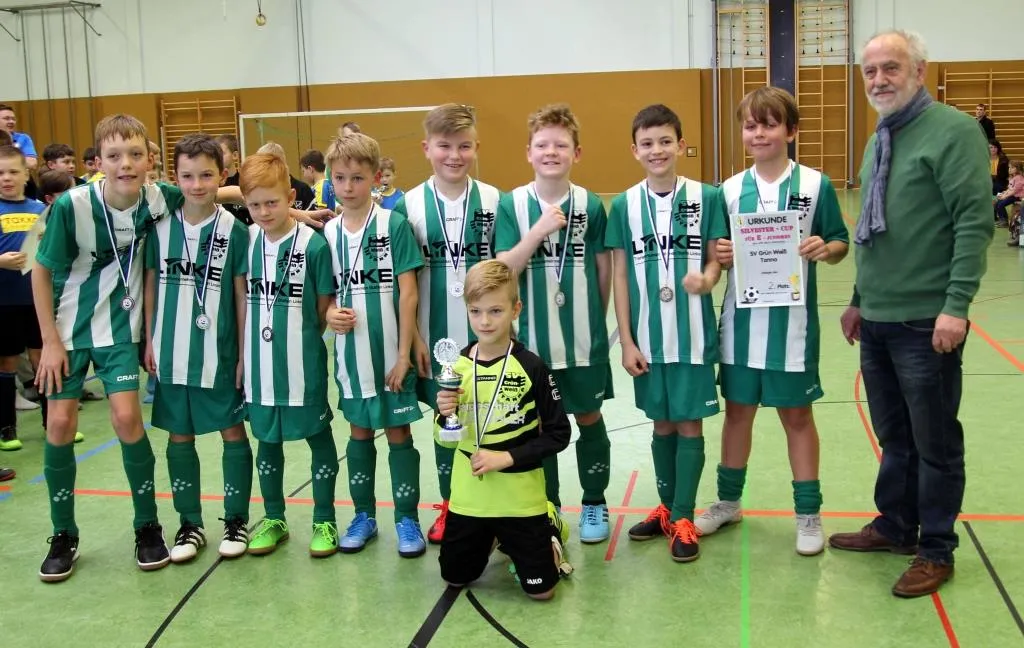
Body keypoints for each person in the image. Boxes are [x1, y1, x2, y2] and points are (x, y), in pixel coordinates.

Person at [830, 30, 993, 598]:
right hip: (877, 317)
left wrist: (956, 307)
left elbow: (973, 223)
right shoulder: (880, 136)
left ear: (920, 71)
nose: (879, 79)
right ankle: (896, 526)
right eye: (870, 70)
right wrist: (858, 299)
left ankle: (937, 547)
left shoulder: (954, 131)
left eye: (891, 67)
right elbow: (874, 230)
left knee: (935, 440)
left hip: (927, 320)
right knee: (895, 435)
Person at [694, 87, 849, 556]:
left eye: (769, 124)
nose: (758, 133)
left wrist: (825, 248)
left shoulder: (815, 185)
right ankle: (728, 502)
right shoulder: (727, 190)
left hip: (792, 331)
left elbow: (839, 242)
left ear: (791, 130)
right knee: (737, 414)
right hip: (741, 328)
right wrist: (720, 254)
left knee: (797, 417)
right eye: (750, 125)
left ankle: (808, 513)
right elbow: (716, 253)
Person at [33, 114, 179, 582]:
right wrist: (49, 342)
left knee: (127, 417)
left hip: (119, 330)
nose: (125, 164)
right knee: (59, 422)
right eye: (114, 156)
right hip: (67, 331)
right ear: (97, 162)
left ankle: (147, 525)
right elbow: (40, 272)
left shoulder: (157, 197)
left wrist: (297, 214)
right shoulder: (71, 206)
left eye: (135, 154)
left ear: (149, 160)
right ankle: (63, 533)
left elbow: (211, 191)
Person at [605, 104, 725, 562]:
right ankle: (667, 507)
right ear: (634, 150)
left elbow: (714, 260)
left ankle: (684, 516)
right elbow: (619, 275)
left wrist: (708, 279)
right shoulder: (624, 205)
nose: (657, 150)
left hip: (692, 335)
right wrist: (627, 340)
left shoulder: (706, 197)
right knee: (661, 423)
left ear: (680, 144)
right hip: (647, 340)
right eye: (647, 143)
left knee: (689, 422)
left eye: (665, 141)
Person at [494, 103, 614, 543]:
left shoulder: (591, 205)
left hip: (583, 340)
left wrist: (595, 321)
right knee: (540, 426)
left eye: (561, 145)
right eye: (542, 145)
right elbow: (505, 268)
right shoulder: (512, 204)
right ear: (528, 152)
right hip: (532, 344)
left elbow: (603, 269)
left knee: (589, 416)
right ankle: (549, 509)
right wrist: (538, 231)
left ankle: (595, 502)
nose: (551, 152)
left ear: (576, 153)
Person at [392, 103, 502, 545]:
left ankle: (491, 510)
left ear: (476, 147)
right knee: (446, 422)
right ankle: (450, 506)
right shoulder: (407, 205)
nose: (454, 155)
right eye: (444, 146)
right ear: (426, 148)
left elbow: (505, 272)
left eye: (464, 146)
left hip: (486, 338)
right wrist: (415, 337)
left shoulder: (494, 200)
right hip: (433, 339)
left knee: (491, 421)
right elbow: (402, 281)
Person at [142, 133, 253, 562]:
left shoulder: (235, 231)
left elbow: (241, 296)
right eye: (187, 176)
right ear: (175, 177)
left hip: (219, 352)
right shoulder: (160, 228)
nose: (197, 184)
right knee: (179, 435)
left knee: (232, 431)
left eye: (206, 175)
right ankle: (189, 524)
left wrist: (242, 354)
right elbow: (151, 285)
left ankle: (236, 520)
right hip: (171, 351)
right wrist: (149, 338)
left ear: (222, 176)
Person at [435, 259, 571, 600]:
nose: (484, 321)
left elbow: (559, 433)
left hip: (519, 498)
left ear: (515, 309)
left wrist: (505, 458)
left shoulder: (531, 366)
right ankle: (494, 537)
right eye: (476, 311)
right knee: (454, 577)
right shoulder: (456, 366)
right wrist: (444, 415)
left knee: (541, 592)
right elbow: (444, 439)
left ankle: (550, 527)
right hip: (469, 498)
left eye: (495, 311)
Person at [322, 133, 427, 557]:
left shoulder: (392, 225)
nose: (348, 187)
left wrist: (403, 354)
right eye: (340, 178)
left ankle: (407, 518)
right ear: (330, 179)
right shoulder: (328, 233)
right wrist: (330, 313)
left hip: (390, 357)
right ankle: (363, 515)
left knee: (399, 433)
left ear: (376, 178)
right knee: (359, 433)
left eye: (358, 178)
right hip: (352, 358)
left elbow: (409, 293)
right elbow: (324, 294)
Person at [238, 153, 340, 557]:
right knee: (266, 441)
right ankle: (274, 518)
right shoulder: (245, 242)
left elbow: (321, 307)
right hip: (259, 368)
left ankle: (325, 520)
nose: (264, 212)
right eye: (255, 204)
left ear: (291, 199)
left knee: (318, 436)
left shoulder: (313, 245)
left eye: (273, 202)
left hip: (302, 363)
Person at [0, 146, 48, 453]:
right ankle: (7, 428)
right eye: (0, 173)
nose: (6, 178)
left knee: (42, 358)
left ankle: (52, 422)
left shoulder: (39, 209)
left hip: (36, 300)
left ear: (26, 175)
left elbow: (51, 249)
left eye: (13, 172)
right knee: (7, 361)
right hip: (4, 302)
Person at [216, 134, 251, 225]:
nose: (218, 158)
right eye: (215, 154)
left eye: (222, 153)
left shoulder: (245, 183)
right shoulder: (213, 184)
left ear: (234, 155)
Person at [0, 104, 37, 170]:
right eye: (6, 118)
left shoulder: (23, 138)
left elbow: (32, 164)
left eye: (13, 119)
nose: (11, 121)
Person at [995, 159, 1023, 228]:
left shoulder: (1019, 178)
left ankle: (1004, 221)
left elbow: (1014, 191)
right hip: (1012, 195)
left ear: (1018, 168)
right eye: (1009, 167)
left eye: (1012, 167)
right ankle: (1002, 219)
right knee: (998, 203)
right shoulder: (1012, 177)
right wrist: (1004, 193)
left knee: (1000, 204)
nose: (1009, 169)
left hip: (1016, 197)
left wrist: (1005, 196)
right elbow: (1010, 188)